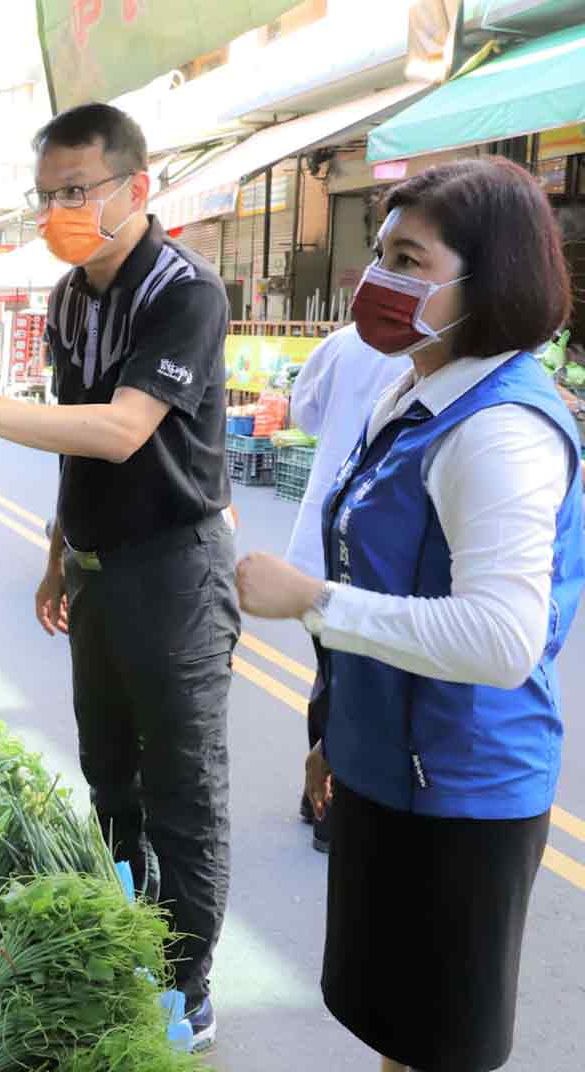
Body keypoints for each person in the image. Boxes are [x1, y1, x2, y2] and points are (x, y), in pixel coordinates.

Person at [0, 102, 236, 1052]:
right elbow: (79, 447)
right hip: (98, 571)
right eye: (46, 196)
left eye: (77, 191)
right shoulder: (68, 298)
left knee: (183, 791)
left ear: (137, 186)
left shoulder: (184, 292)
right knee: (108, 777)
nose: (59, 210)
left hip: (175, 572)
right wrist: (57, 553)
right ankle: (131, 938)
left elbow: (123, 429)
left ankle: (187, 984)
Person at [235, 158, 581, 1072]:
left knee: (437, 1045)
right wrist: (342, 731)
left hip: (460, 790)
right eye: (381, 253)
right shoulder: (417, 384)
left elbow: (502, 641)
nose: (378, 279)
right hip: (390, 765)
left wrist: (312, 600)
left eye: (410, 259)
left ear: (490, 277)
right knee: (394, 1027)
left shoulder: (500, 429)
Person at [281, 322, 399, 851]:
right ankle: (334, 809)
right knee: (356, 684)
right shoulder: (437, 351)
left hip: (320, 541)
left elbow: (302, 413)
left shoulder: (344, 340)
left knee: (331, 677)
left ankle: (319, 801)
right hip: (370, 550)